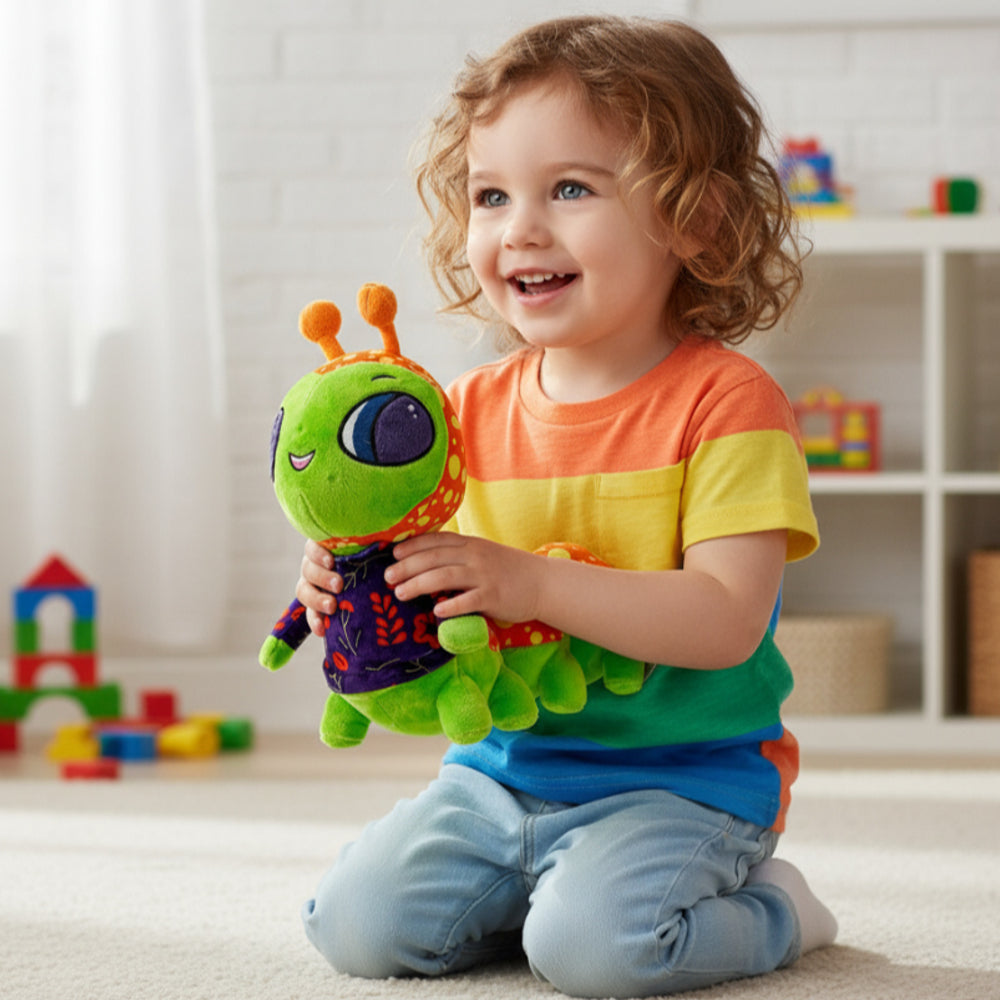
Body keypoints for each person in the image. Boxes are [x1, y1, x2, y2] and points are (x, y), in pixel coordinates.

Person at [296, 15, 837, 998]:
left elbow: (722, 619)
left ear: (698, 221)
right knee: (356, 928)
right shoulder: (454, 414)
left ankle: (777, 909)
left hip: (685, 781)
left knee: (595, 956)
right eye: (491, 195)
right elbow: (429, 586)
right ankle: (543, 891)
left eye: (571, 189)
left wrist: (526, 578)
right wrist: (346, 584)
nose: (520, 229)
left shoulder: (728, 403)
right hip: (500, 770)